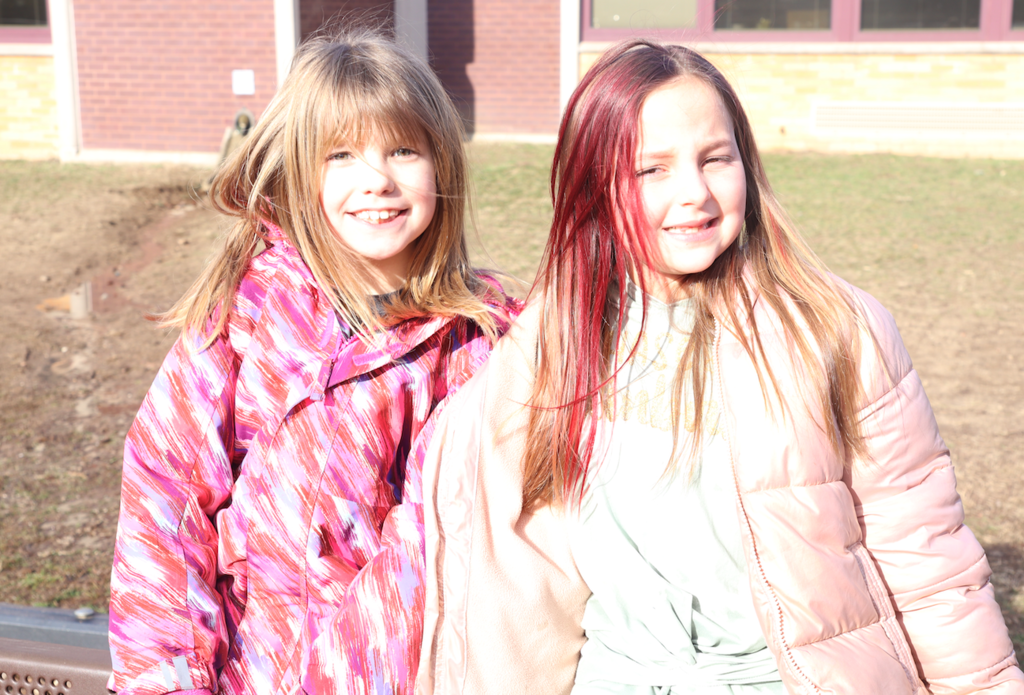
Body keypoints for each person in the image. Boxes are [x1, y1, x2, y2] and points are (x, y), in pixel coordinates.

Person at [416, 39, 1024, 694]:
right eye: (651, 169)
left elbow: (928, 562)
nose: (695, 194)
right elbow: (506, 589)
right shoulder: (546, 349)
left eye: (715, 158)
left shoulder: (836, 330)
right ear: (593, 187)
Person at [107, 29, 517, 695]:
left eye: (403, 150)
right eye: (341, 155)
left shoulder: (478, 343)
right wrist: (167, 681)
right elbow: (166, 492)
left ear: (441, 165)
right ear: (299, 172)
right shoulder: (247, 313)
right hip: (250, 673)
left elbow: (441, 545)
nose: (377, 179)